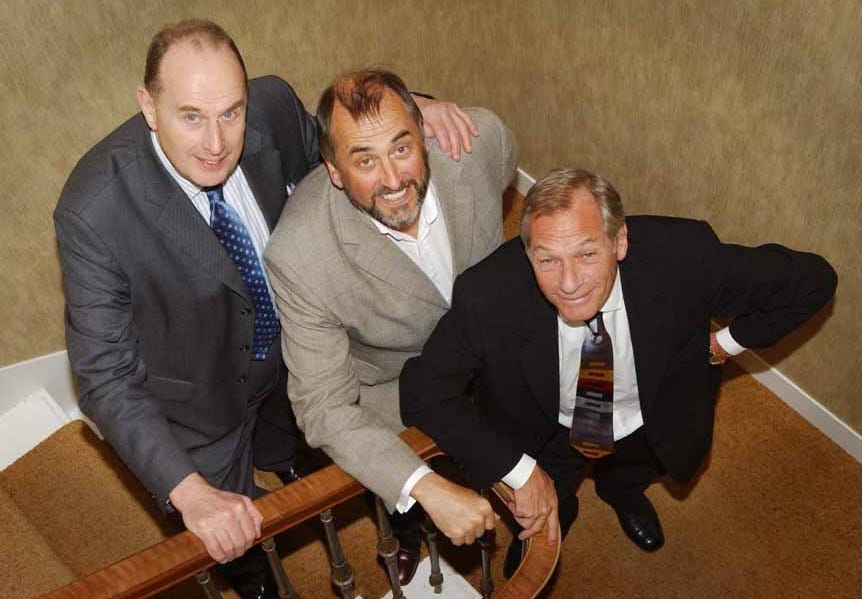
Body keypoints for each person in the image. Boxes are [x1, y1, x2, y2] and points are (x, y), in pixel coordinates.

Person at [54, 20, 479, 599]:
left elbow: (343, 143)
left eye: (231, 112)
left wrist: (418, 109)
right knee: (236, 538)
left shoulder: (273, 106)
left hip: (295, 347)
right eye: (191, 117)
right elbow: (105, 376)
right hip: (199, 398)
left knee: (316, 438)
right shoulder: (94, 210)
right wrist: (190, 492)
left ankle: (304, 468)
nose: (216, 142)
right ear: (148, 106)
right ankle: (258, 583)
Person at [400, 167, 837, 575]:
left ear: (620, 242)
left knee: (640, 465)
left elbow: (813, 280)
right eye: (547, 260)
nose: (569, 282)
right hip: (548, 429)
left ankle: (622, 491)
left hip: (648, 413)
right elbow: (424, 391)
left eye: (587, 253)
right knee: (548, 496)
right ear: (527, 252)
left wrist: (723, 345)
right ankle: (560, 510)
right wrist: (519, 471)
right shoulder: (488, 294)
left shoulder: (684, 258)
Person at [263, 68, 518, 584]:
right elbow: (324, 407)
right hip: (392, 384)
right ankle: (403, 531)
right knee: (393, 479)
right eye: (365, 161)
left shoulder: (476, 142)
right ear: (334, 171)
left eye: (401, 149)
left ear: (422, 134)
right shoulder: (298, 255)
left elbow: (509, 168)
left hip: (489, 351)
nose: (394, 180)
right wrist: (422, 484)